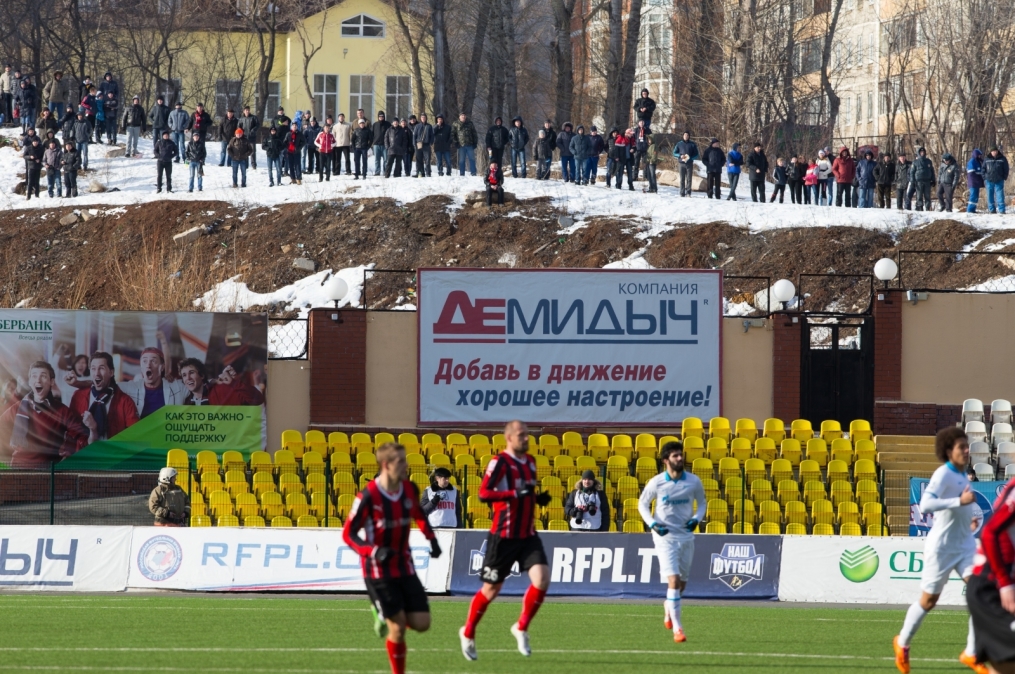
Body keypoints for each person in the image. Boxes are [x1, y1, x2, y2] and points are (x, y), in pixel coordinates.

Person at [343, 442, 441, 674]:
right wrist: (374, 551)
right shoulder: (368, 496)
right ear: (386, 465)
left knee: (422, 624)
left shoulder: (409, 489)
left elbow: (418, 514)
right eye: (401, 461)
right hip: (378, 570)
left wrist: (432, 540)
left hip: (404, 566)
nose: (406, 465)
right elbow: (348, 534)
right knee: (397, 628)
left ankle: (383, 612)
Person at [460, 420, 552, 661]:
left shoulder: (530, 462)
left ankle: (521, 627)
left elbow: (526, 492)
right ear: (509, 438)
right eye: (522, 435)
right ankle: (468, 632)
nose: (526, 439)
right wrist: (513, 494)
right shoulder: (499, 462)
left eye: (527, 435)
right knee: (491, 589)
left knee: (542, 579)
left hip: (528, 535)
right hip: (503, 535)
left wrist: (536, 498)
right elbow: (483, 493)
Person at [893, 427, 981, 674]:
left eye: (967, 446)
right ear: (948, 451)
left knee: (981, 594)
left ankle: (971, 653)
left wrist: (967, 522)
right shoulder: (943, 474)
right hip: (941, 548)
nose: (967, 450)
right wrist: (959, 502)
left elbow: (954, 512)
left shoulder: (964, 476)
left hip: (964, 545)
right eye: (961, 447)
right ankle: (902, 643)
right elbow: (926, 504)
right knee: (929, 601)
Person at [639, 440, 705, 643]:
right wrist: (652, 524)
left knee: (681, 585)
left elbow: (702, 503)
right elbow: (642, 504)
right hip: (664, 537)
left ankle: (668, 607)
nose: (680, 458)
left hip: (686, 536)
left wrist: (696, 519)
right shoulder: (657, 482)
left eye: (680, 454)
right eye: (675, 455)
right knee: (674, 581)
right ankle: (678, 629)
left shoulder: (693, 481)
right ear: (666, 460)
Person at [3, 361, 95, 468]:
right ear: (30, 381)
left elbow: (84, 440)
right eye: (34, 376)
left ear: (51, 382)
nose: (38, 380)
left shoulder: (63, 411)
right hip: (19, 469)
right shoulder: (18, 407)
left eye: (43, 376)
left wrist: (92, 429)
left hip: (49, 472)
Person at [967, 475, 1015, 674]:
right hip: (990, 587)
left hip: (995, 583)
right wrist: (1005, 585)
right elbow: (989, 533)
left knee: (1003, 668)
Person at [69, 352, 138, 440]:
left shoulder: (125, 402)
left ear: (111, 372)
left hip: (112, 452)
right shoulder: (78, 396)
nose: (96, 373)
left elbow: (135, 436)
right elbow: (71, 429)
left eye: (101, 368)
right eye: (93, 368)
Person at [119, 347, 187, 417]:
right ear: (141, 367)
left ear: (162, 367)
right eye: (145, 361)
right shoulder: (129, 388)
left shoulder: (177, 387)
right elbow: (109, 385)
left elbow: (197, 385)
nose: (148, 365)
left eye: (153, 361)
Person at [178, 359, 263, 406]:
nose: (188, 378)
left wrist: (234, 383)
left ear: (202, 375)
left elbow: (257, 399)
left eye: (192, 372)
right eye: (184, 375)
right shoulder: (186, 402)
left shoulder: (221, 390)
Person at [984, 146, 1009, 215]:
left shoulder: (1002, 159)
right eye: (993, 151)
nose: (994, 152)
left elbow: (1006, 168)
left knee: (1000, 195)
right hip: (989, 180)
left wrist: (1004, 177)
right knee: (990, 195)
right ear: (991, 152)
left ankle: (1002, 210)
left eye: (995, 151)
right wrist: (985, 177)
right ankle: (992, 209)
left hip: (999, 180)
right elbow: (983, 169)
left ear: (997, 151)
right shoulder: (987, 159)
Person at [674, 131, 700, 197]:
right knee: (682, 179)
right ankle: (682, 193)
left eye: (687, 135)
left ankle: (688, 192)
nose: (686, 136)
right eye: (685, 135)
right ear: (683, 136)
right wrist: (680, 155)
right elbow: (674, 153)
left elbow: (696, 154)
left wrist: (690, 158)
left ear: (689, 136)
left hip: (689, 164)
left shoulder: (692, 144)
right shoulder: (679, 144)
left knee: (689, 179)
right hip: (681, 163)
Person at [910, 147, 935, 212]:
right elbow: (912, 172)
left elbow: (932, 171)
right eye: (921, 152)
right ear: (918, 153)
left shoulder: (928, 161)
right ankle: (919, 207)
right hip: (918, 181)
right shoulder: (915, 162)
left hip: (927, 181)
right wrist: (912, 181)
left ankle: (928, 208)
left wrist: (933, 180)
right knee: (919, 196)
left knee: (927, 196)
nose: (922, 153)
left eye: (923, 152)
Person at [238, 105, 260, 170]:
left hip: (252, 137)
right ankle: (246, 165)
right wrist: (241, 133)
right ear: (244, 111)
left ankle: (253, 165)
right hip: (244, 137)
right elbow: (239, 127)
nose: (247, 111)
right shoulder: (241, 118)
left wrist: (253, 130)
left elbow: (257, 125)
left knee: (253, 151)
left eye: (248, 110)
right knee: (245, 151)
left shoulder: (253, 117)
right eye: (246, 110)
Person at [413, 113, 434, 177]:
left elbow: (432, 136)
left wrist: (431, 142)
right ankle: (419, 173)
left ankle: (428, 173)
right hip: (418, 144)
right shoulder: (417, 126)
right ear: (420, 118)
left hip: (426, 144)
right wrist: (414, 143)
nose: (423, 118)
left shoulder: (429, 126)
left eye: (424, 117)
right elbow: (414, 135)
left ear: (426, 118)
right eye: (422, 117)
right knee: (419, 159)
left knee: (427, 159)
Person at [23, 136, 43, 200]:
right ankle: (28, 196)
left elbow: (43, 157)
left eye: (36, 142)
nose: (35, 143)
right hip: (31, 166)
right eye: (34, 142)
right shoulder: (28, 148)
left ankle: (37, 195)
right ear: (32, 142)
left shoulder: (41, 148)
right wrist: (29, 157)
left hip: (38, 166)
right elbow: (24, 156)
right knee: (30, 182)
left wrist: (39, 160)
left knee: (37, 181)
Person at [372, 111, 391, 176]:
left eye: (382, 116)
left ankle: (386, 171)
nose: (381, 117)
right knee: (377, 160)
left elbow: (390, 134)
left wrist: (389, 143)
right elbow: (372, 134)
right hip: (376, 144)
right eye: (380, 116)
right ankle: (377, 171)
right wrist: (372, 143)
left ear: (384, 117)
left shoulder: (388, 124)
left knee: (386, 160)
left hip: (385, 145)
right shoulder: (375, 124)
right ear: (378, 117)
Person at [967, 149, 985, 213]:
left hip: (977, 182)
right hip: (973, 182)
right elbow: (971, 173)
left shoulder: (979, 162)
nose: (980, 156)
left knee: (976, 196)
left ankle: (973, 209)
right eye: (979, 155)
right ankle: (970, 210)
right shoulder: (972, 162)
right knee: (973, 196)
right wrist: (978, 178)